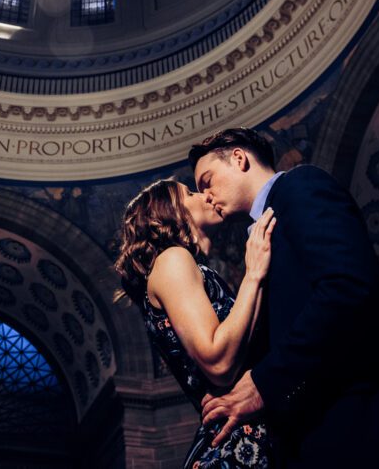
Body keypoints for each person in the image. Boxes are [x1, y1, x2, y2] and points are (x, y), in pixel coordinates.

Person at [190, 128, 379, 467]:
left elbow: (349, 287)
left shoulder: (301, 186)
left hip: (362, 425)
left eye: (207, 181)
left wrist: (264, 382)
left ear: (239, 159)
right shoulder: (257, 239)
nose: (205, 196)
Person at [114, 179, 278, 467]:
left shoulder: (183, 265)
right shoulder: (172, 259)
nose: (204, 196)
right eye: (189, 193)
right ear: (167, 211)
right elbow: (218, 363)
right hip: (237, 451)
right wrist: (253, 273)